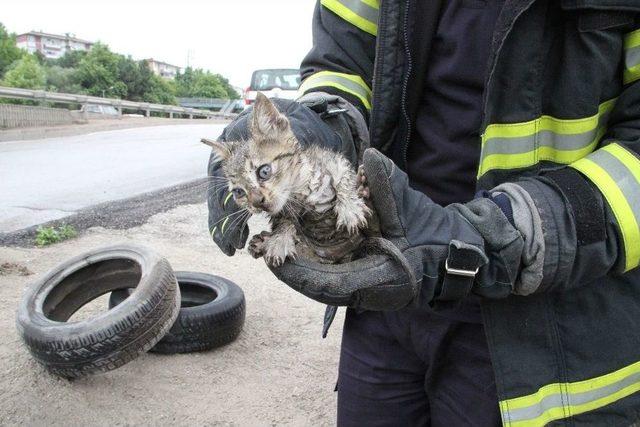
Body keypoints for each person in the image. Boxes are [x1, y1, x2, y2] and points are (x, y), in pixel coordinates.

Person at [209, 1, 640, 425]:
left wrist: (490, 239)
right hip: (384, 283)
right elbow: (342, 61)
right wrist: (321, 125)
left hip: (543, 319)